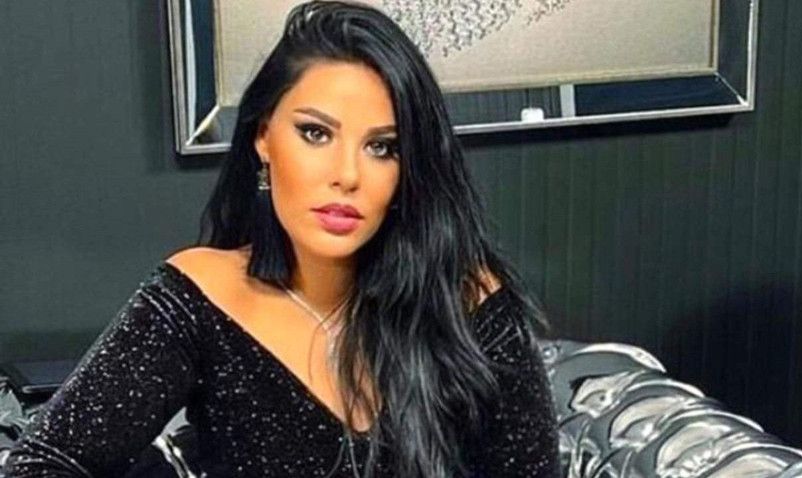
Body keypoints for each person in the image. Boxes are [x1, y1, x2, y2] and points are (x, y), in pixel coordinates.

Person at [2, 1, 561, 477]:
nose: (347, 175)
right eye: (315, 133)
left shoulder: (466, 302)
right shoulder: (203, 296)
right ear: (264, 137)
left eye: (382, 147)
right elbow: (40, 466)